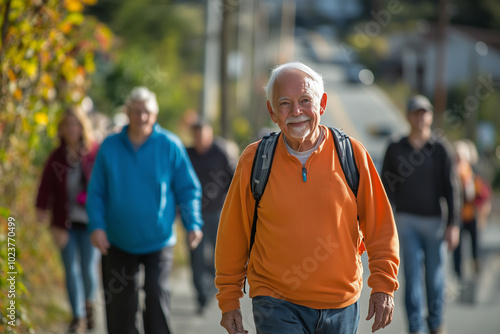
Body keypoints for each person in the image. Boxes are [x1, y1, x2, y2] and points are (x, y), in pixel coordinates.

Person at [215, 62, 400, 334]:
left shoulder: (352, 154)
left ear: (322, 104)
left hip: (341, 304)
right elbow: (233, 234)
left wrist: (383, 285)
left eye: (305, 100)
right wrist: (228, 298)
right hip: (275, 302)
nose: (296, 111)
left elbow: (380, 226)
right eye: (285, 104)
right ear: (272, 112)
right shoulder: (255, 160)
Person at [86, 86, 203, 334]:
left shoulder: (170, 145)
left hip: (159, 241)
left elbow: (188, 188)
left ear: (155, 114)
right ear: (127, 113)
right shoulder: (110, 146)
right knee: (121, 309)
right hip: (118, 240)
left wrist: (193, 223)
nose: (141, 117)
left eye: (147, 111)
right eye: (136, 111)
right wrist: (97, 226)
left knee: (156, 299)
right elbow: (96, 191)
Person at [381, 95, 461, 334]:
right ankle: (416, 327)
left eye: (424, 112)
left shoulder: (440, 149)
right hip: (406, 221)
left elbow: (451, 188)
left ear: (430, 116)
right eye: (416, 112)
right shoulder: (396, 147)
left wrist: (453, 225)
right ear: (408, 116)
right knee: (412, 276)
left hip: (435, 222)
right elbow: (386, 188)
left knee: (435, 278)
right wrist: (387, 221)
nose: (420, 117)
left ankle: (436, 322)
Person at [36, 106, 100, 334]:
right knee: (70, 269)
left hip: (91, 222)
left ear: (82, 127)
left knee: (88, 270)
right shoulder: (57, 157)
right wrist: (41, 211)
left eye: (76, 124)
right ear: (62, 129)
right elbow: (45, 188)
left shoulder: (94, 153)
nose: (72, 129)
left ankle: (89, 303)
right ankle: (78, 317)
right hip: (64, 223)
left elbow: (105, 185)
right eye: (67, 125)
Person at [186, 118, 238, 314]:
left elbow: (234, 177)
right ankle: (201, 295)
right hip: (193, 214)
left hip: (217, 211)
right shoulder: (187, 154)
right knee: (196, 255)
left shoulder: (220, 151)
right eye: (196, 134)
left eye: (203, 133)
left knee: (217, 253)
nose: (200, 138)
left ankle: (213, 284)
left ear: (210, 133)